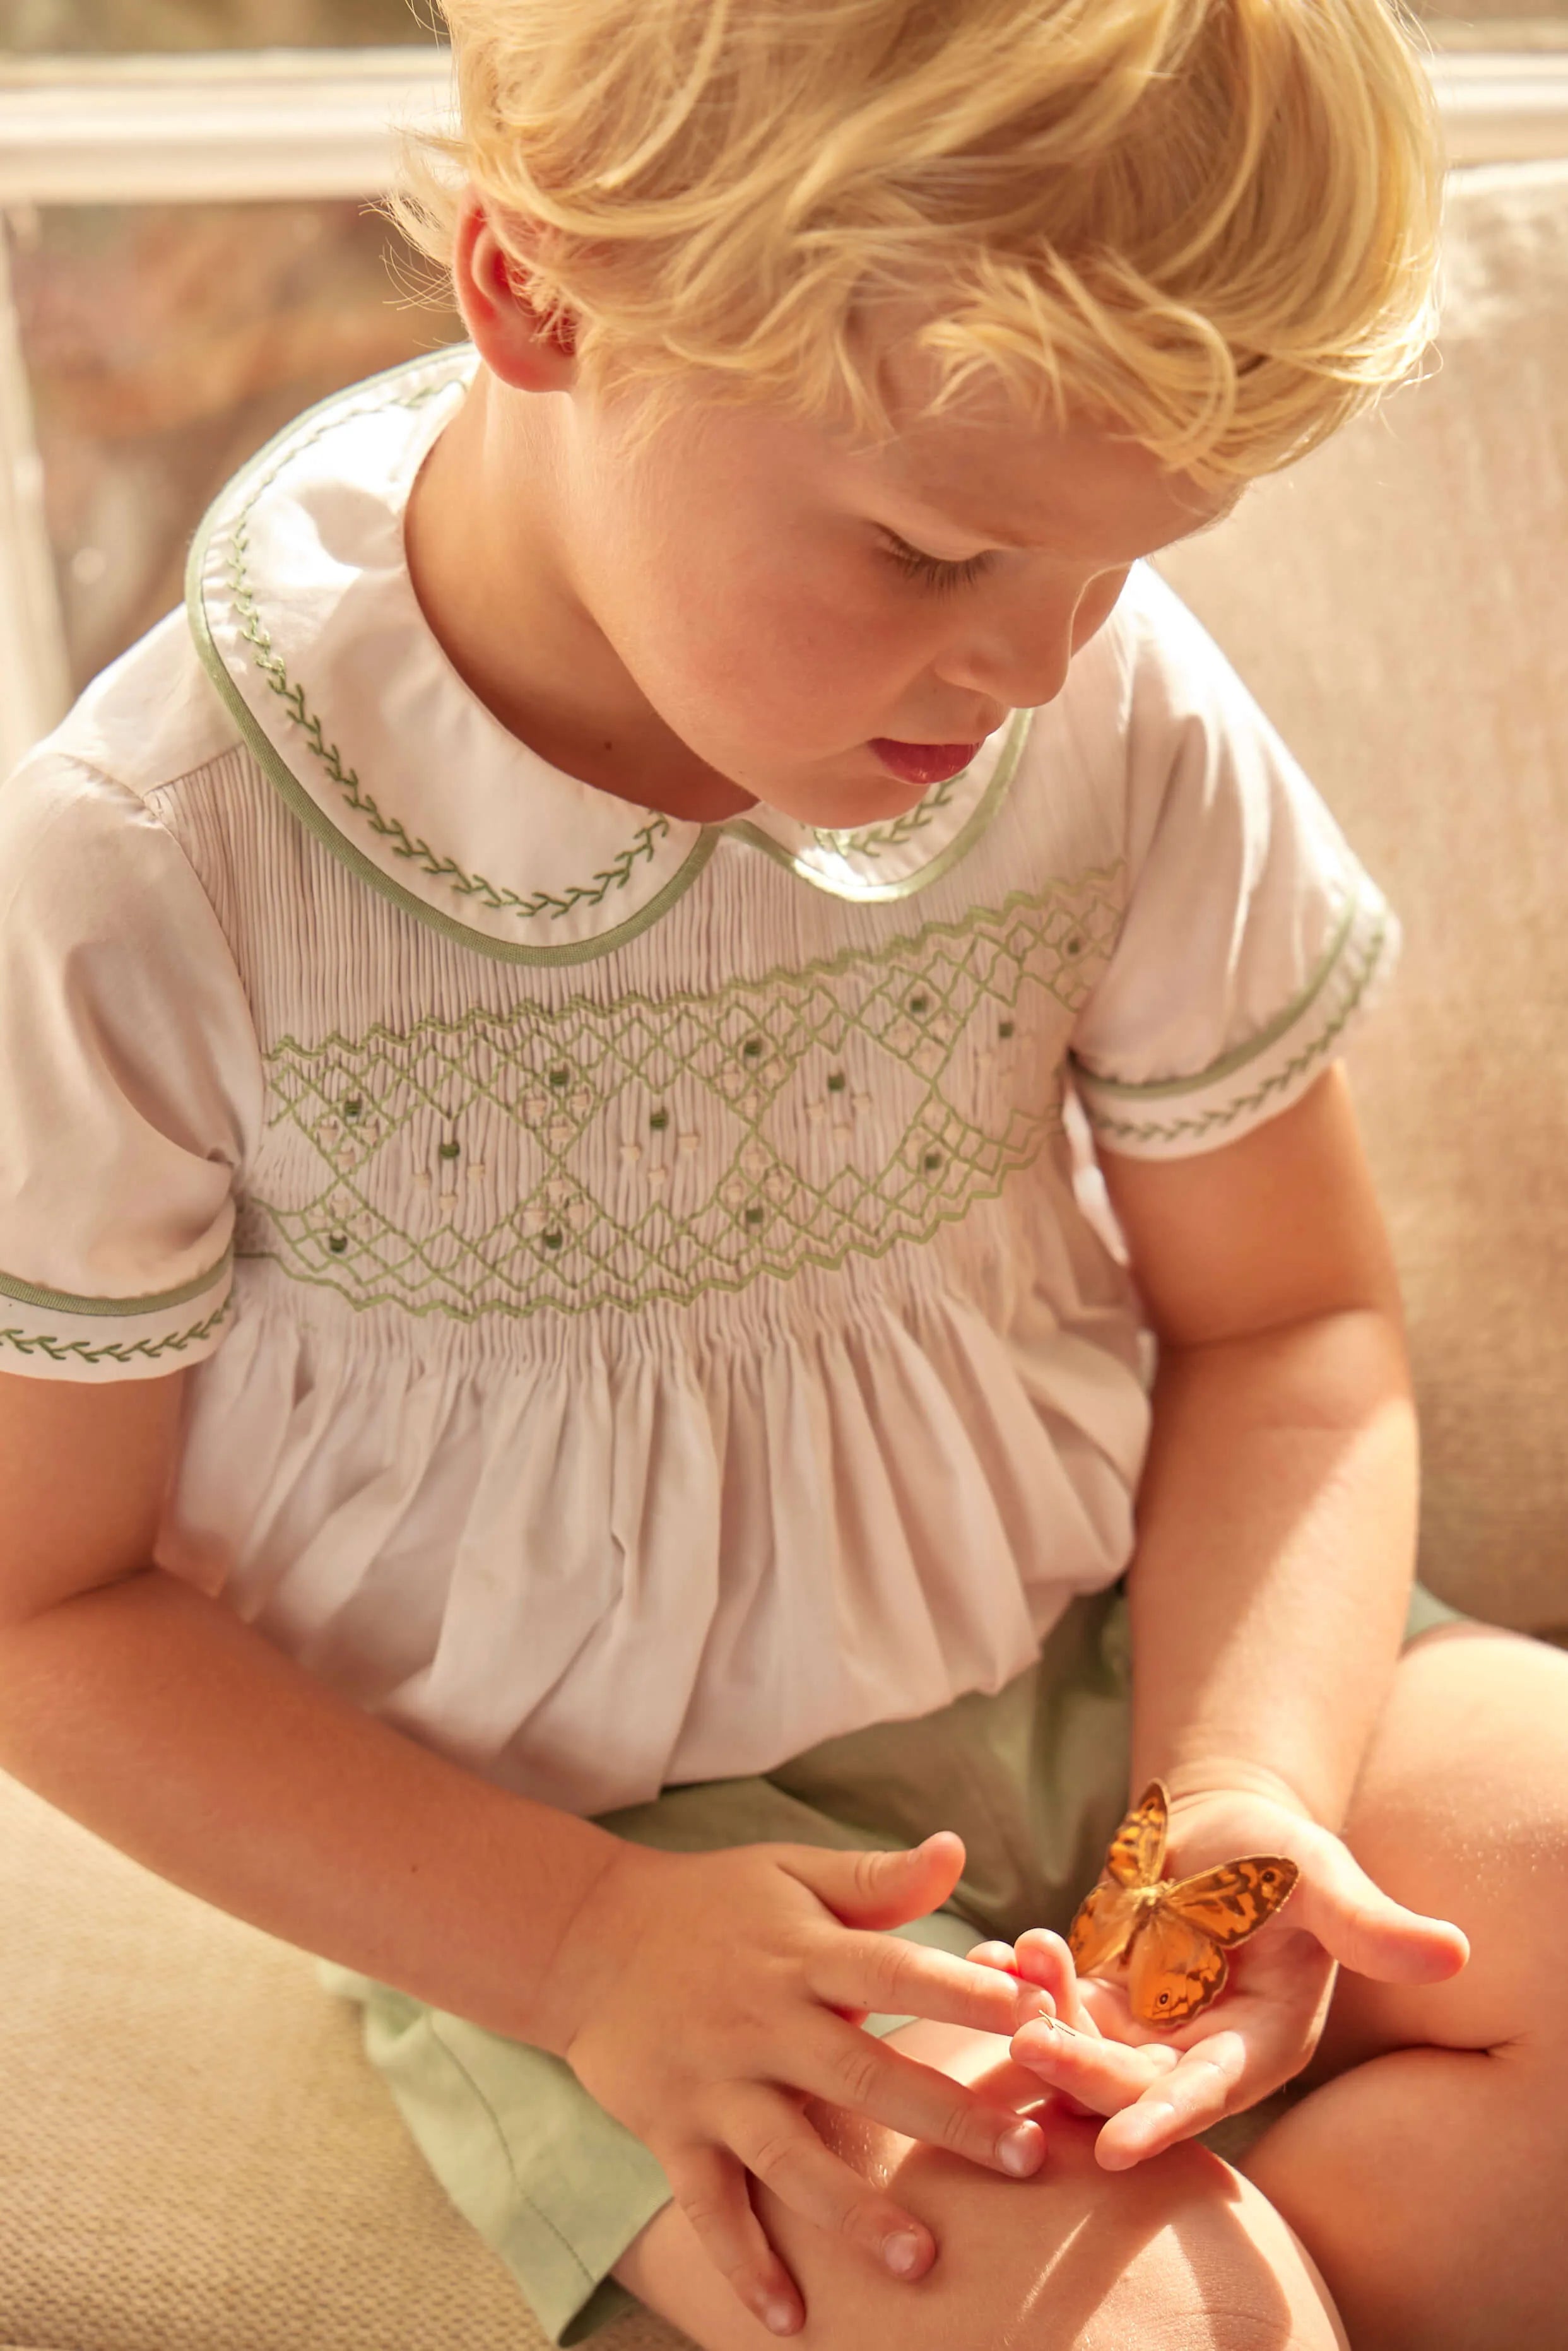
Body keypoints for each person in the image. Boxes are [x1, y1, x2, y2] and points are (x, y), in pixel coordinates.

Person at [1, 0, 1564, 2345]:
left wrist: (1237, 1792)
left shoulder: (1093, 700)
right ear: (543, 299)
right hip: (601, 1854)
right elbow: (45, 1608)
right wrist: (574, 1947)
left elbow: (1295, 1329)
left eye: (1124, 567)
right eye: (937, 551)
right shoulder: (153, 872)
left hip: (1138, 1651)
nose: (1038, 666)